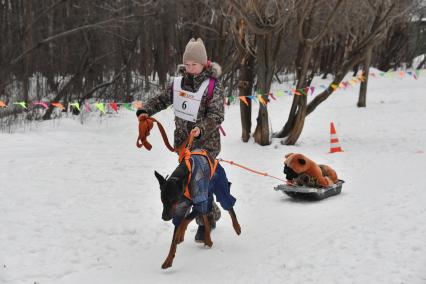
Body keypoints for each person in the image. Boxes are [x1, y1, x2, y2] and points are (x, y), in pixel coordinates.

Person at [137, 38, 227, 242]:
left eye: (194, 64)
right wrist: (145, 110)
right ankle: (202, 213)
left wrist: (200, 129)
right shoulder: (177, 84)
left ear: (204, 63)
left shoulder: (213, 86)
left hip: (206, 146)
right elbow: (161, 99)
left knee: (200, 182)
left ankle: (206, 221)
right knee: (186, 183)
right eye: (187, 64)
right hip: (183, 146)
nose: (190, 68)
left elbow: (216, 116)